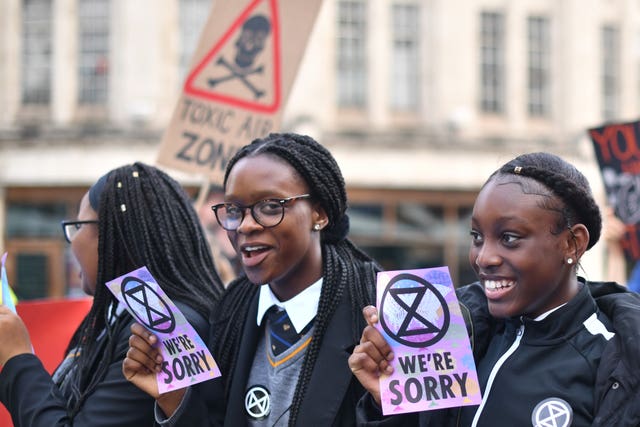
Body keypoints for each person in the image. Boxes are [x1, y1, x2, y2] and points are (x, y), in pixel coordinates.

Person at [349, 152, 640, 426]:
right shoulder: (455, 338)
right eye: (477, 236)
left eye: (510, 237)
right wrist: (386, 403)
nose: (484, 257)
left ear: (572, 243)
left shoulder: (615, 361)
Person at [123, 133, 381, 426]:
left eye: (271, 206)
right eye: (233, 210)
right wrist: (176, 399)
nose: (245, 225)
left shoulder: (389, 311)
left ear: (318, 214)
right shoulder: (230, 310)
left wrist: (383, 404)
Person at [0, 162, 224, 426]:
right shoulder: (129, 312)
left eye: (77, 226)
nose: (71, 242)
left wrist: (18, 358)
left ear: (113, 235)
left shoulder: (157, 327)